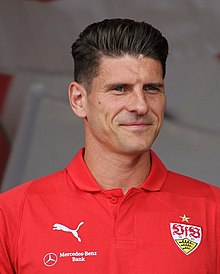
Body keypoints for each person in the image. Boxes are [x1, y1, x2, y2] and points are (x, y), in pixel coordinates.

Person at [0, 18, 219, 273]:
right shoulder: (12, 213)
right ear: (79, 99)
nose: (140, 105)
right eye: (120, 89)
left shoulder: (212, 209)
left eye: (151, 88)